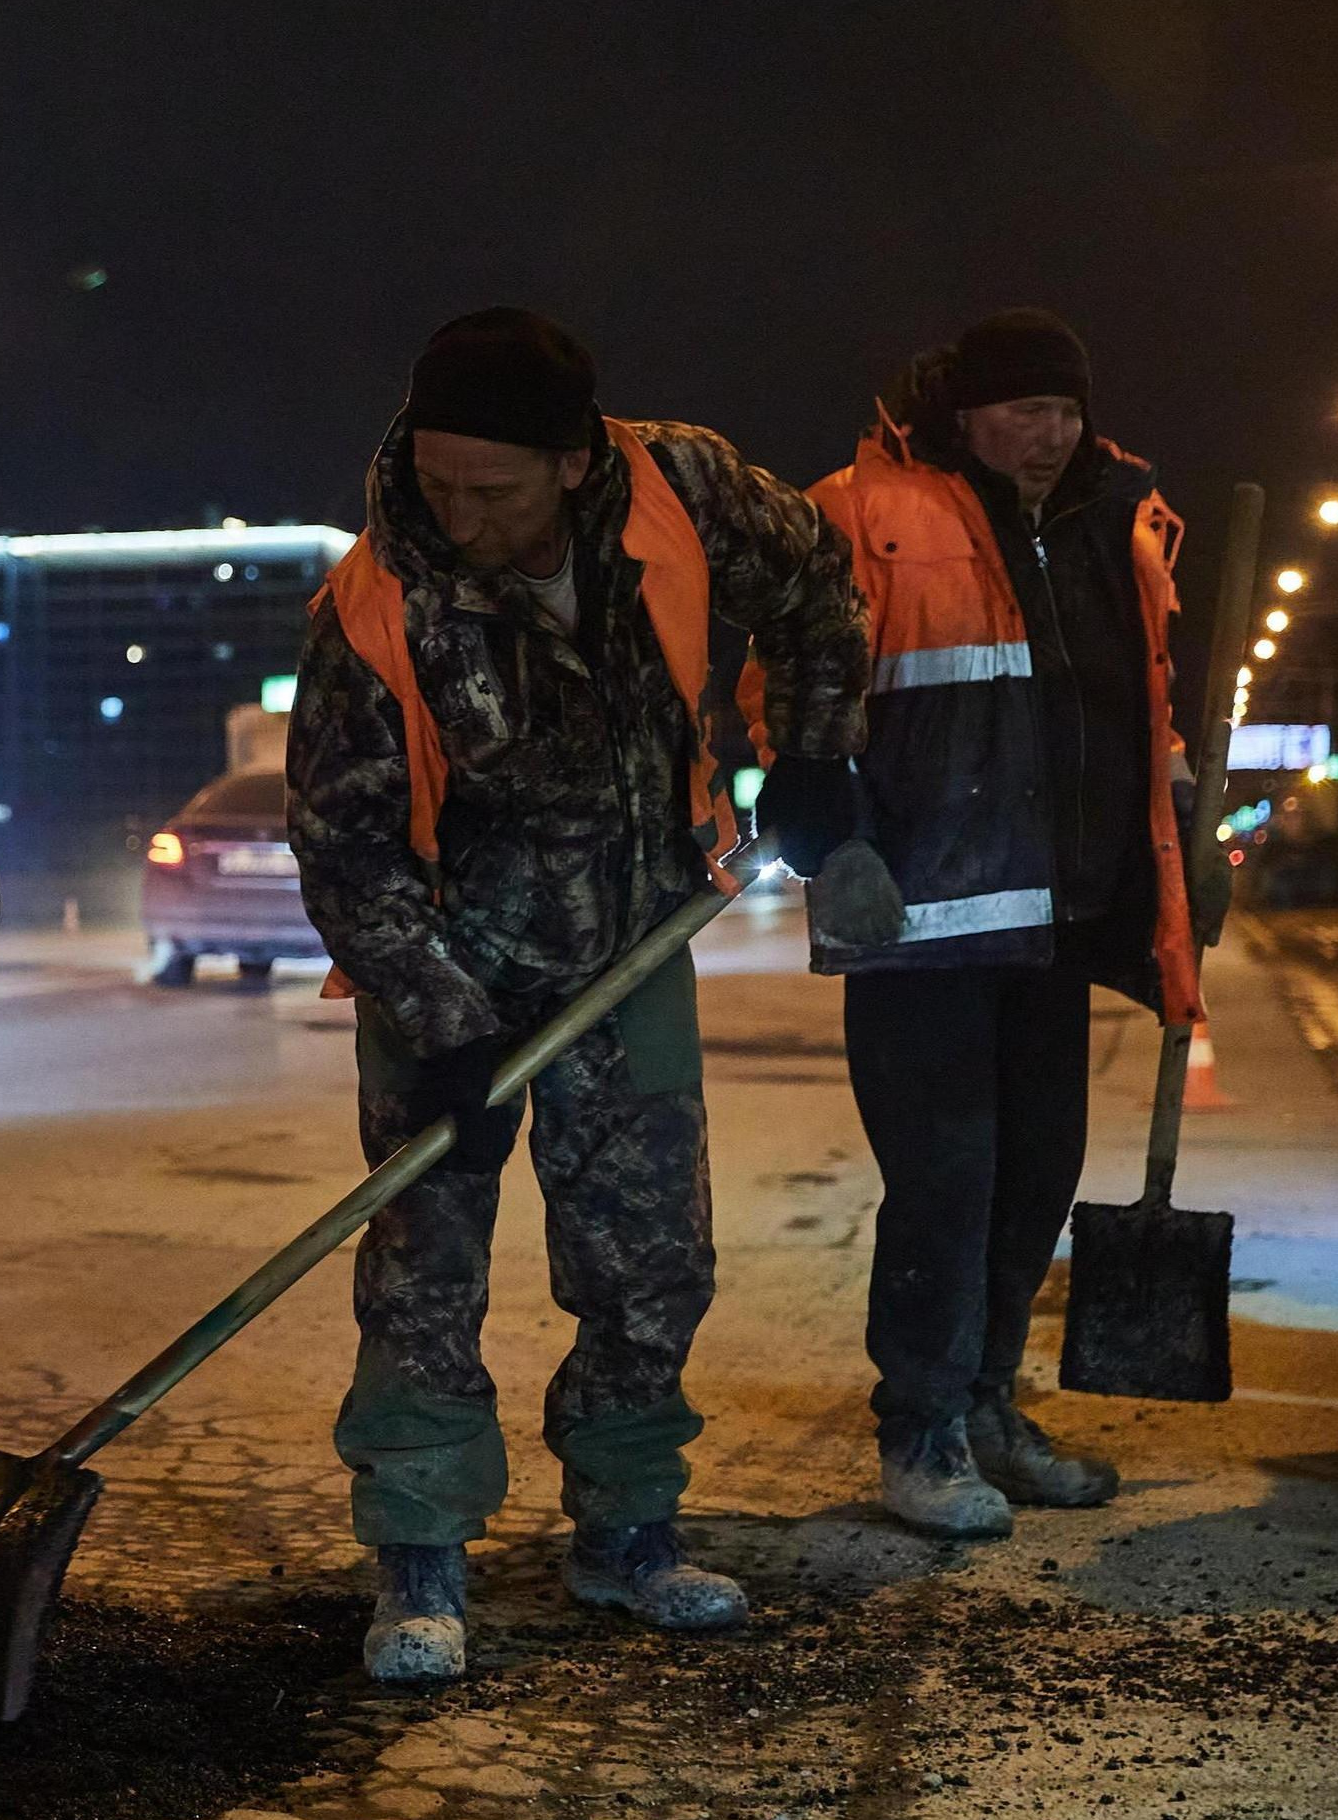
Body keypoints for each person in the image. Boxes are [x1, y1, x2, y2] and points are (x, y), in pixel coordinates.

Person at [288, 308, 871, 1683]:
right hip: (443, 960)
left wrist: (814, 754)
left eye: (486, 490)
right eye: (434, 484)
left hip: (634, 938)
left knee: (646, 1256)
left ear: (567, 461)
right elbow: (340, 846)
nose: (455, 514)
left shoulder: (680, 491)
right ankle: (418, 1558)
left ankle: (625, 1531)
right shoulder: (374, 604)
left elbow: (815, 590)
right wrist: (437, 1029)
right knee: (422, 1271)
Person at [785, 308, 1228, 1539]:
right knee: (944, 1180)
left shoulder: (1112, 521)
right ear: (961, 412)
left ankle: (987, 1406)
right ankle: (920, 1429)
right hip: (923, 915)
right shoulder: (861, 512)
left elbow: (1127, 689)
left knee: (1034, 1172)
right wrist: (835, 842)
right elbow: (792, 693)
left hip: (1059, 914)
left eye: (1063, 411)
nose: (1044, 435)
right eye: (1019, 410)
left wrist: (1179, 804)